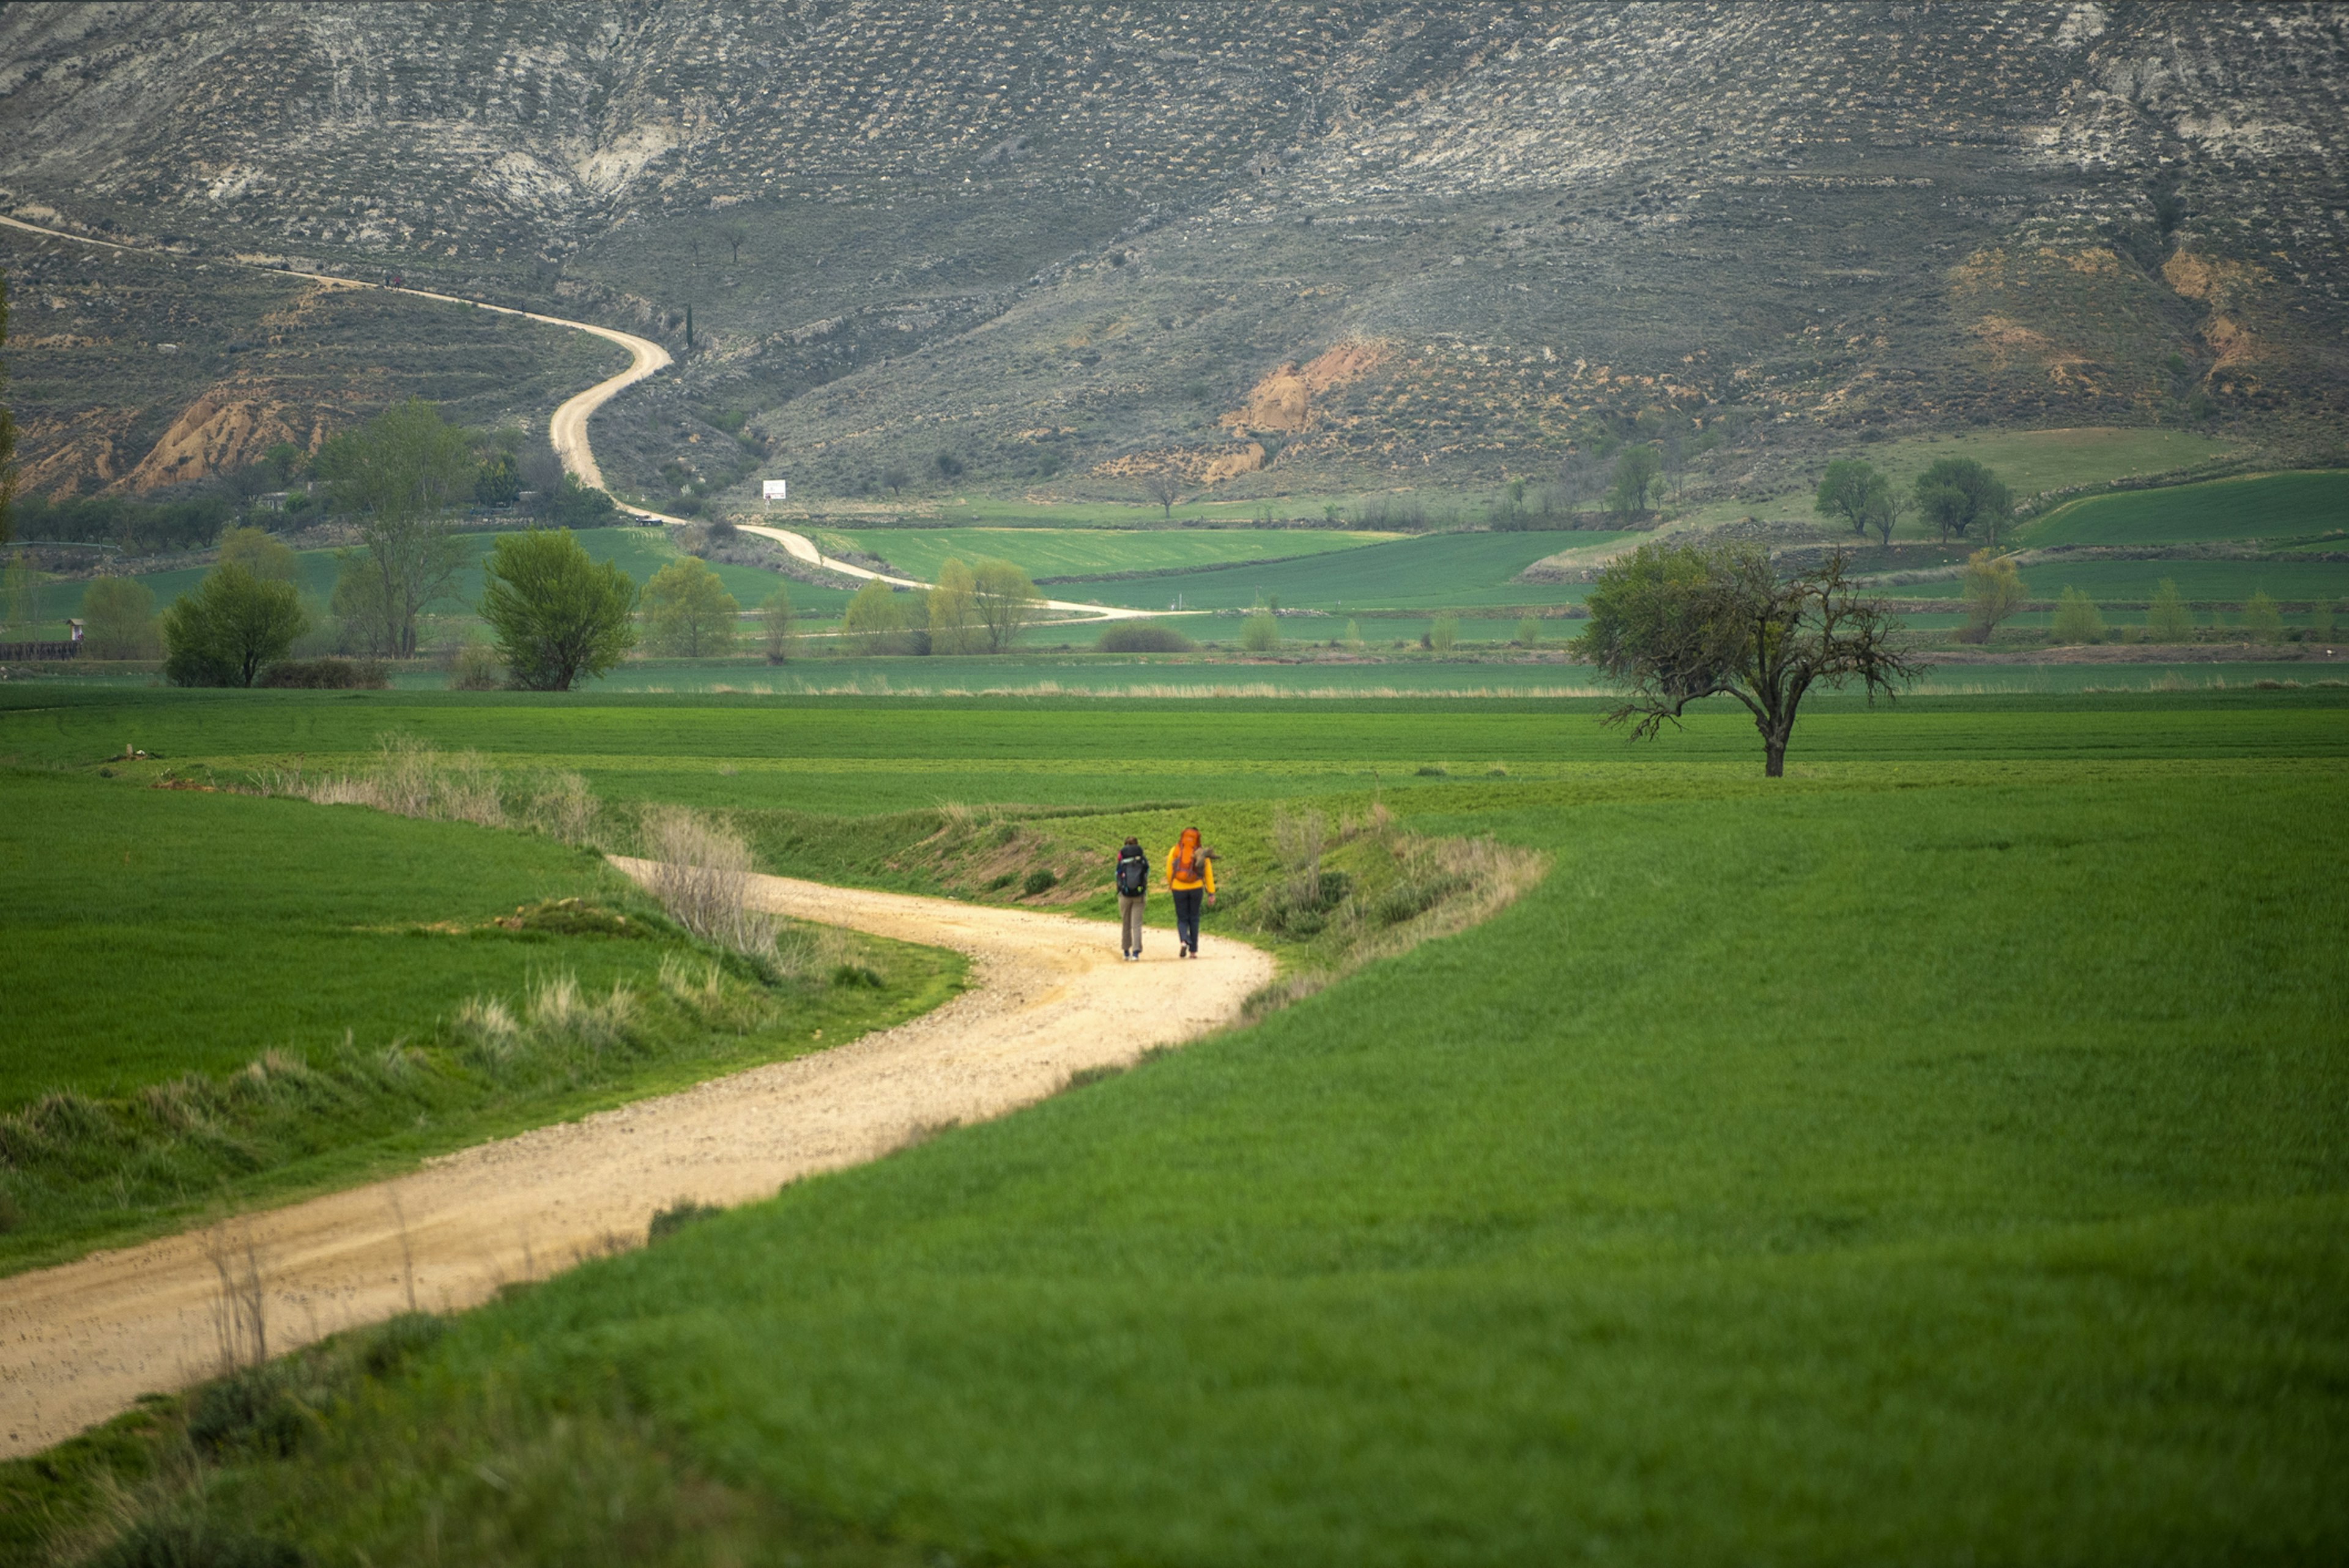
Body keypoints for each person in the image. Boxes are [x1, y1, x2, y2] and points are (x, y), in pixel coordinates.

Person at [1165, 826, 1215, 958]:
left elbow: (1169, 870)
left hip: (1178, 889)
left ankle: (1183, 940)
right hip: (1196, 888)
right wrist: (1211, 892)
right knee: (1194, 918)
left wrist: (1172, 884)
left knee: (1182, 918)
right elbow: (1208, 874)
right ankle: (1193, 951)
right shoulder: (1201, 852)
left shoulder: (1175, 850)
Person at [1113, 835, 1149, 960]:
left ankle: (1126, 952)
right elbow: (1147, 873)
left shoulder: (1122, 860)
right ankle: (1136, 953)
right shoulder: (1142, 859)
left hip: (1124, 895)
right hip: (1139, 895)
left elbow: (1117, 874)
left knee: (1126, 923)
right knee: (1137, 924)